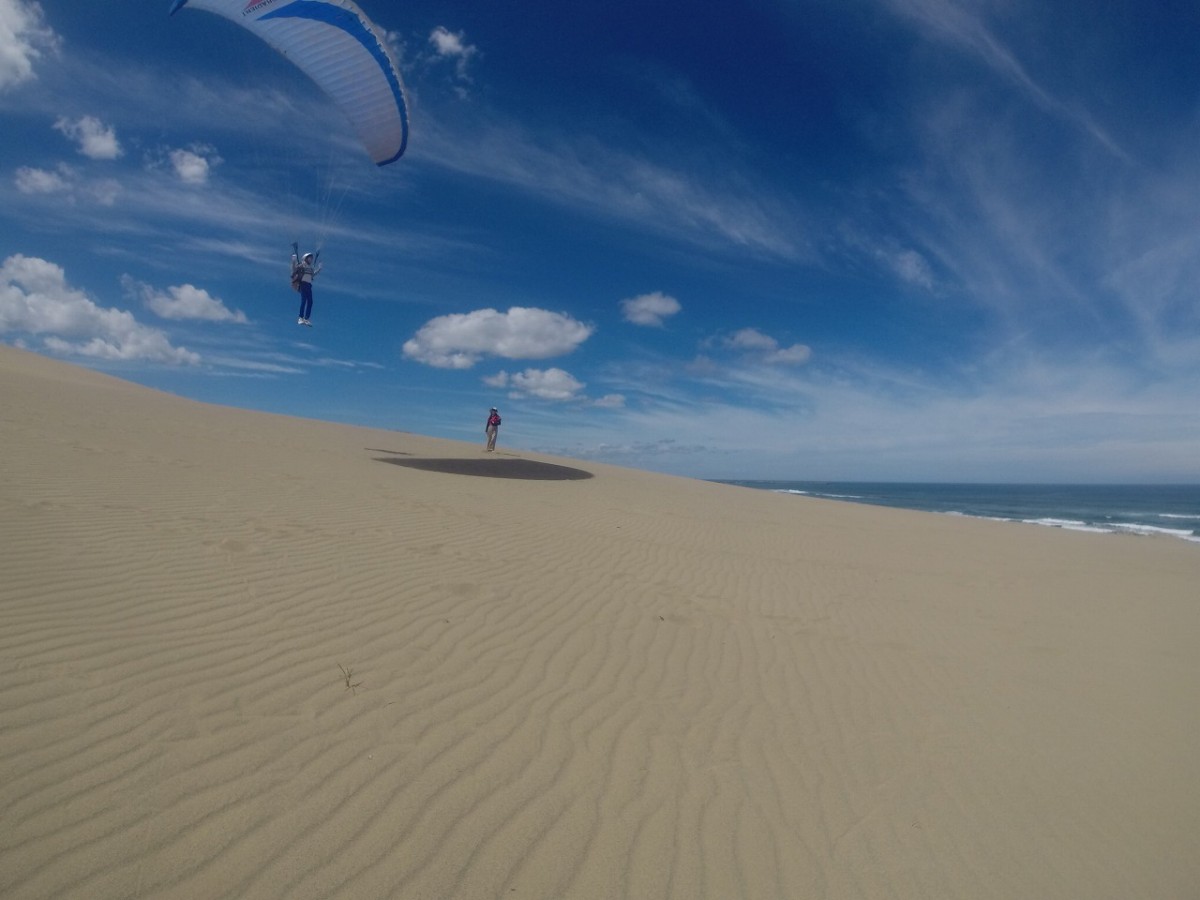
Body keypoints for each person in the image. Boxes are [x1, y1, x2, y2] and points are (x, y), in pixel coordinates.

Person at [290, 243, 322, 326]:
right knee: (304, 301)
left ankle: (306, 318)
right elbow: (294, 270)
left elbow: (312, 275)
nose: (311, 260)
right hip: (303, 285)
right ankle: (300, 318)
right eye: (310, 258)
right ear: (306, 258)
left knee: (310, 302)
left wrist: (319, 269)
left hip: (308, 286)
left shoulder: (310, 269)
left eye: (312, 258)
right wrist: (293, 261)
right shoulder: (301, 266)